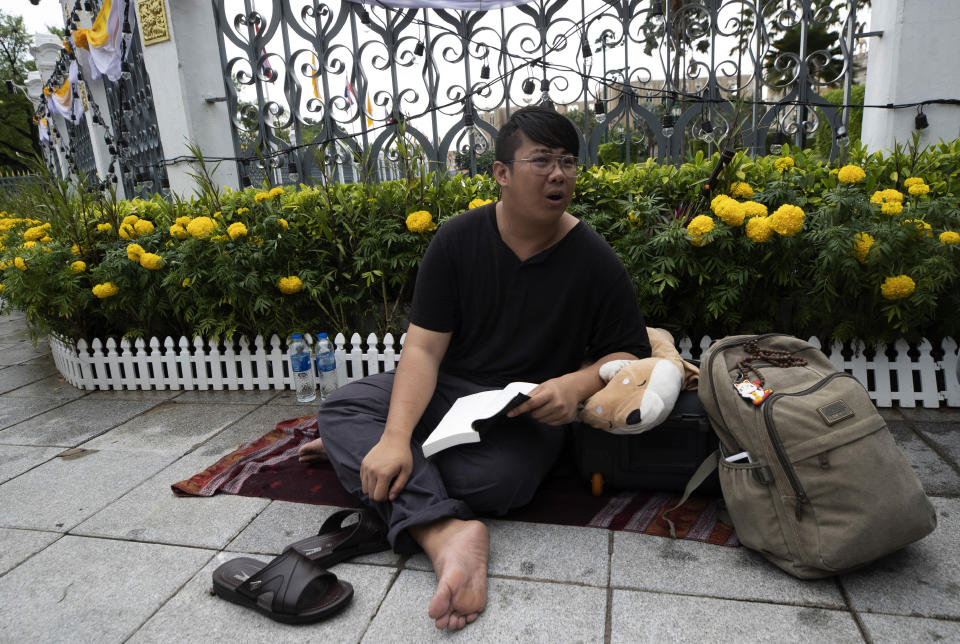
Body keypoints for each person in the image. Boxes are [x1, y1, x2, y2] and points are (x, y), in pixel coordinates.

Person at [298, 105, 650, 630]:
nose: (559, 174)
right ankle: (445, 532)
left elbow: (629, 358)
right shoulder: (458, 239)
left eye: (568, 162)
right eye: (542, 160)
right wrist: (396, 435)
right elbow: (423, 351)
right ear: (501, 174)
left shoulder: (594, 259)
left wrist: (574, 385)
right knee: (344, 407)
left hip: (522, 412)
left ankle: (370, 461)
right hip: (446, 392)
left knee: (499, 482)